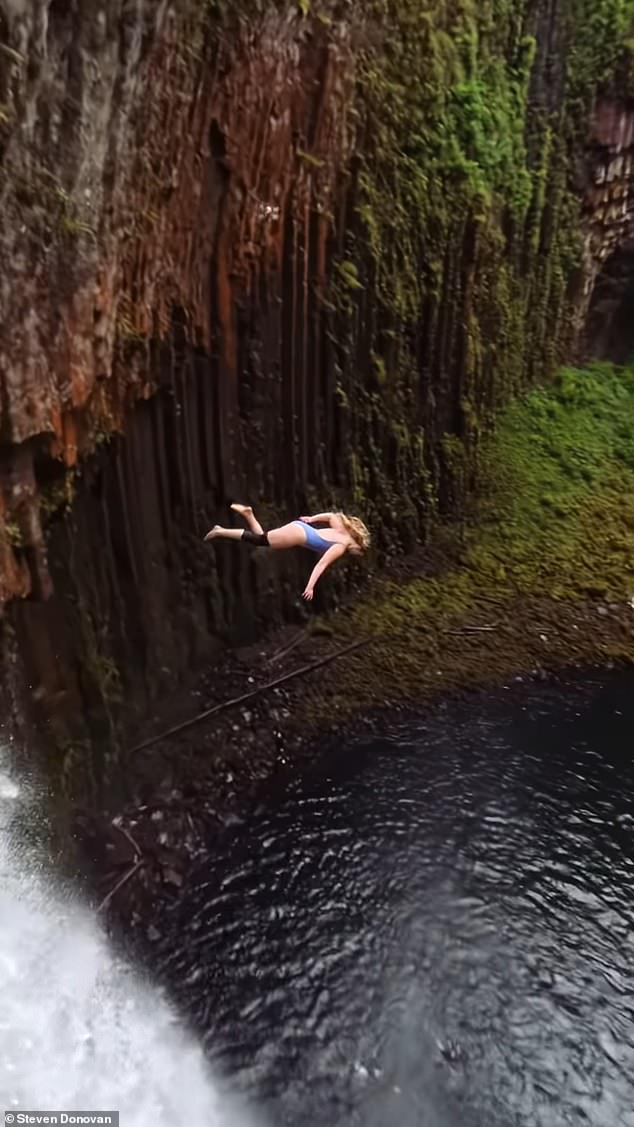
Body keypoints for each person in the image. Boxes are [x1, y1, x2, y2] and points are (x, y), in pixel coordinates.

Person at [204, 504, 370, 600]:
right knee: (261, 541)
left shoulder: (343, 531)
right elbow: (322, 564)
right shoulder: (341, 545)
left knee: (261, 539)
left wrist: (311, 519)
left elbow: (332, 516)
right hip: (298, 535)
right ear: (357, 544)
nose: (355, 553)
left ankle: (248, 515)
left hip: (301, 528)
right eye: (358, 551)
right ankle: (220, 530)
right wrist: (311, 587)